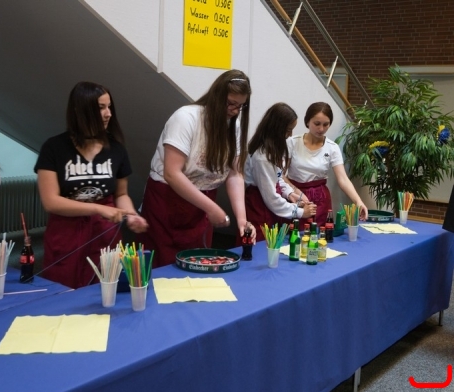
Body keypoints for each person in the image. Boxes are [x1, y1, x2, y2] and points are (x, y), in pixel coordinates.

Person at [35, 81, 148, 289]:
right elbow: (51, 201)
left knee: (105, 289)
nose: (108, 114)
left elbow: (121, 194)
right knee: (62, 290)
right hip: (65, 232)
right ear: (80, 111)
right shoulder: (54, 147)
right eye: (101, 108)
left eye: (109, 107)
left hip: (104, 233)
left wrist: (131, 214)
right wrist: (98, 208)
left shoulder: (116, 149)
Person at [137, 69, 251, 268]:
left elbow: (234, 173)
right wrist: (211, 208)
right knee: (162, 267)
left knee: (197, 263)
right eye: (230, 103)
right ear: (216, 96)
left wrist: (241, 219)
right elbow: (172, 173)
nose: (234, 111)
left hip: (201, 203)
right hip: (168, 200)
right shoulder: (186, 117)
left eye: (240, 106)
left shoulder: (234, 125)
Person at [243, 103, 317, 242]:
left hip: (270, 206)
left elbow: (277, 177)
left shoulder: (273, 149)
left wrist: (289, 193)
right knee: (263, 245)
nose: (290, 135)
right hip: (259, 208)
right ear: (276, 128)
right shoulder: (262, 157)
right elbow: (271, 198)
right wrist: (300, 212)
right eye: (288, 130)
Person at [285, 102, 368, 225]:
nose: (321, 129)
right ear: (307, 121)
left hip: (320, 199)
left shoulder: (332, 147)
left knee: (320, 233)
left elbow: (343, 179)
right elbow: (280, 175)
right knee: (294, 232)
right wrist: (295, 191)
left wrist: (358, 201)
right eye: (317, 124)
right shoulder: (292, 143)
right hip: (295, 196)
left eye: (326, 124)